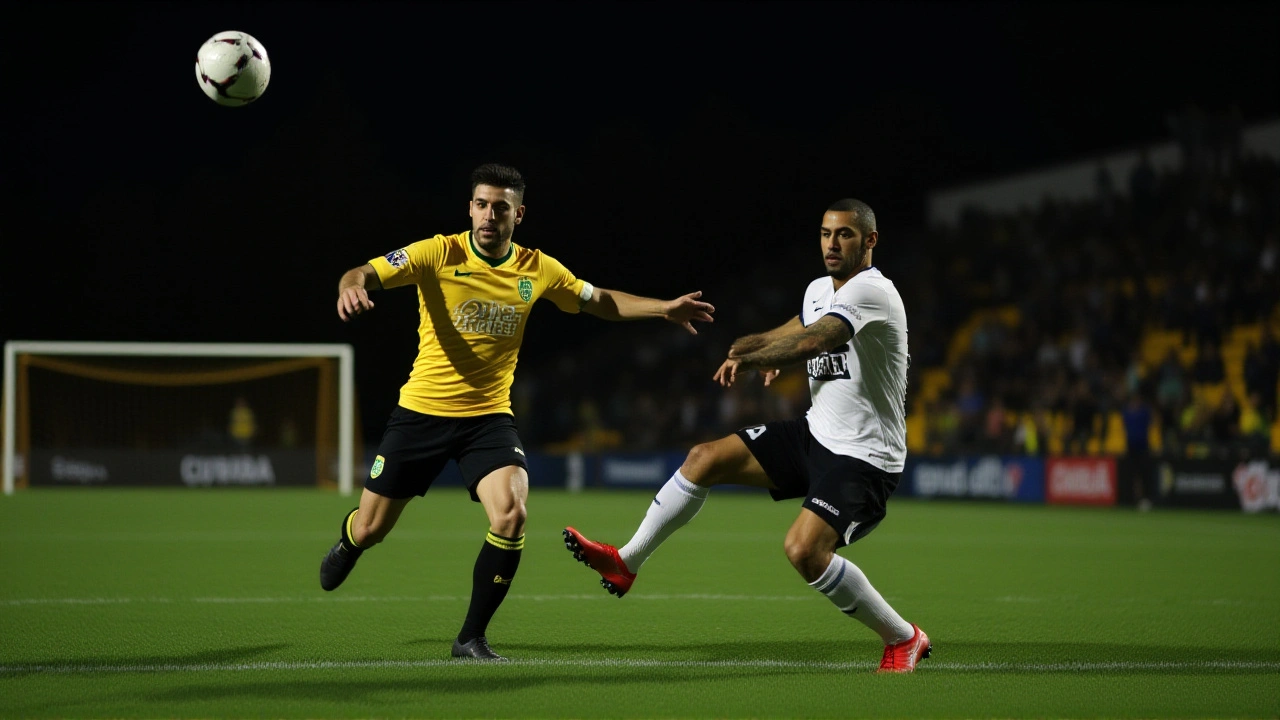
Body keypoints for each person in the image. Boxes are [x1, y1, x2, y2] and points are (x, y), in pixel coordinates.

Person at [319, 163, 715, 662]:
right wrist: (349, 285)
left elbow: (598, 301)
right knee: (372, 528)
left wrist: (664, 308)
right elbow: (364, 271)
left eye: (501, 207)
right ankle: (350, 543)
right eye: (481, 204)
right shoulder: (437, 252)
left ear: (518, 214)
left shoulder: (537, 268)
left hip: (488, 419)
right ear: (470, 207)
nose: (489, 215)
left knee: (512, 513)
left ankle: (470, 638)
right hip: (420, 413)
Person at [563, 198, 931, 673]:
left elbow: (818, 339)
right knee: (703, 458)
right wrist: (752, 346)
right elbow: (799, 327)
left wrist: (758, 358)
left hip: (865, 459)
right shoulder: (821, 288)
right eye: (825, 234)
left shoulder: (873, 291)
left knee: (803, 551)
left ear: (870, 240)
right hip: (814, 435)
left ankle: (904, 638)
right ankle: (625, 561)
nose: (832, 244)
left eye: (844, 234)